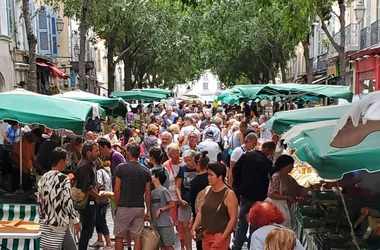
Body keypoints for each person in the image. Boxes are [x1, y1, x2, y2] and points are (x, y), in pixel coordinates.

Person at [232, 141, 276, 250]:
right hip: (258, 196)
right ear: (267, 149)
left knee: (242, 220)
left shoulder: (247, 155)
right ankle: (252, 245)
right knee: (255, 222)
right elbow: (267, 180)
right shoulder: (267, 163)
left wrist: (238, 186)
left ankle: (237, 245)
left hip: (245, 193)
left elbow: (236, 169)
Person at [38, 147, 80, 250]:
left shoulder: (43, 178)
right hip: (59, 223)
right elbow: (67, 202)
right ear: (61, 161)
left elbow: (40, 202)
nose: (67, 162)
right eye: (66, 159)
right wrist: (75, 220)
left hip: (45, 222)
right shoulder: (63, 179)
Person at [114, 142, 151, 250]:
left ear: (129, 153)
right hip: (139, 207)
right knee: (137, 237)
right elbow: (147, 193)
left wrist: (117, 204)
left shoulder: (121, 168)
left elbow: (117, 189)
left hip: (124, 206)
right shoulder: (145, 170)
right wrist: (148, 210)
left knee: (119, 236)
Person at [192, 162, 238, 250]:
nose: (208, 177)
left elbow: (233, 218)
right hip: (205, 236)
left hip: (219, 236)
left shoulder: (229, 194)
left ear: (220, 177)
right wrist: (194, 228)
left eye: (211, 175)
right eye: (208, 174)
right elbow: (201, 211)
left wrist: (223, 237)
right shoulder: (208, 189)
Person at [75, 141, 105, 250]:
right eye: (96, 150)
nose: (98, 153)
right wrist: (97, 195)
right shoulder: (84, 165)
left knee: (88, 230)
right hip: (87, 203)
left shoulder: (90, 164)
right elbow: (86, 186)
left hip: (91, 202)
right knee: (87, 230)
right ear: (88, 152)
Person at [267, 155, 312, 229]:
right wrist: (286, 197)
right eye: (291, 165)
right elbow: (271, 194)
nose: (293, 167)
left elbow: (298, 190)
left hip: (286, 209)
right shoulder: (276, 177)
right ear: (284, 166)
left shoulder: (289, 178)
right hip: (277, 209)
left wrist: (311, 187)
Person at [163, 143, 186, 246]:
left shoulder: (184, 164)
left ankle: (182, 244)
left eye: (177, 153)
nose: (176, 155)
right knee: (171, 220)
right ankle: (170, 243)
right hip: (170, 196)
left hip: (182, 196)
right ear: (169, 155)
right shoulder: (166, 165)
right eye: (173, 153)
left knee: (182, 222)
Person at [176, 149, 198, 250]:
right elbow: (178, 186)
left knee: (196, 226)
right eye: (186, 160)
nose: (187, 162)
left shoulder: (199, 168)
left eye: (189, 160)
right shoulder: (182, 168)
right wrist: (180, 199)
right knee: (184, 226)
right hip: (184, 200)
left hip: (196, 201)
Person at [90, 159, 113, 250]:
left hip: (101, 200)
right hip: (105, 199)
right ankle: (100, 240)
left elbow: (98, 184)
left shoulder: (99, 172)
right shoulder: (105, 171)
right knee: (98, 220)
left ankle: (108, 243)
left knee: (101, 221)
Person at [151, 169, 175, 250]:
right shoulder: (152, 193)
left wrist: (161, 209)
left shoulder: (164, 190)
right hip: (156, 224)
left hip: (165, 223)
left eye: (153, 175)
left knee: (168, 245)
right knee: (162, 245)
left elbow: (171, 204)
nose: (151, 177)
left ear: (157, 178)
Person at [190, 151, 210, 250]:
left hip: (199, 218)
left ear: (198, 164)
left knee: (201, 244)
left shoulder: (194, 182)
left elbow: (192, 201)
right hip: (214, 218)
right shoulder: (213, 178)